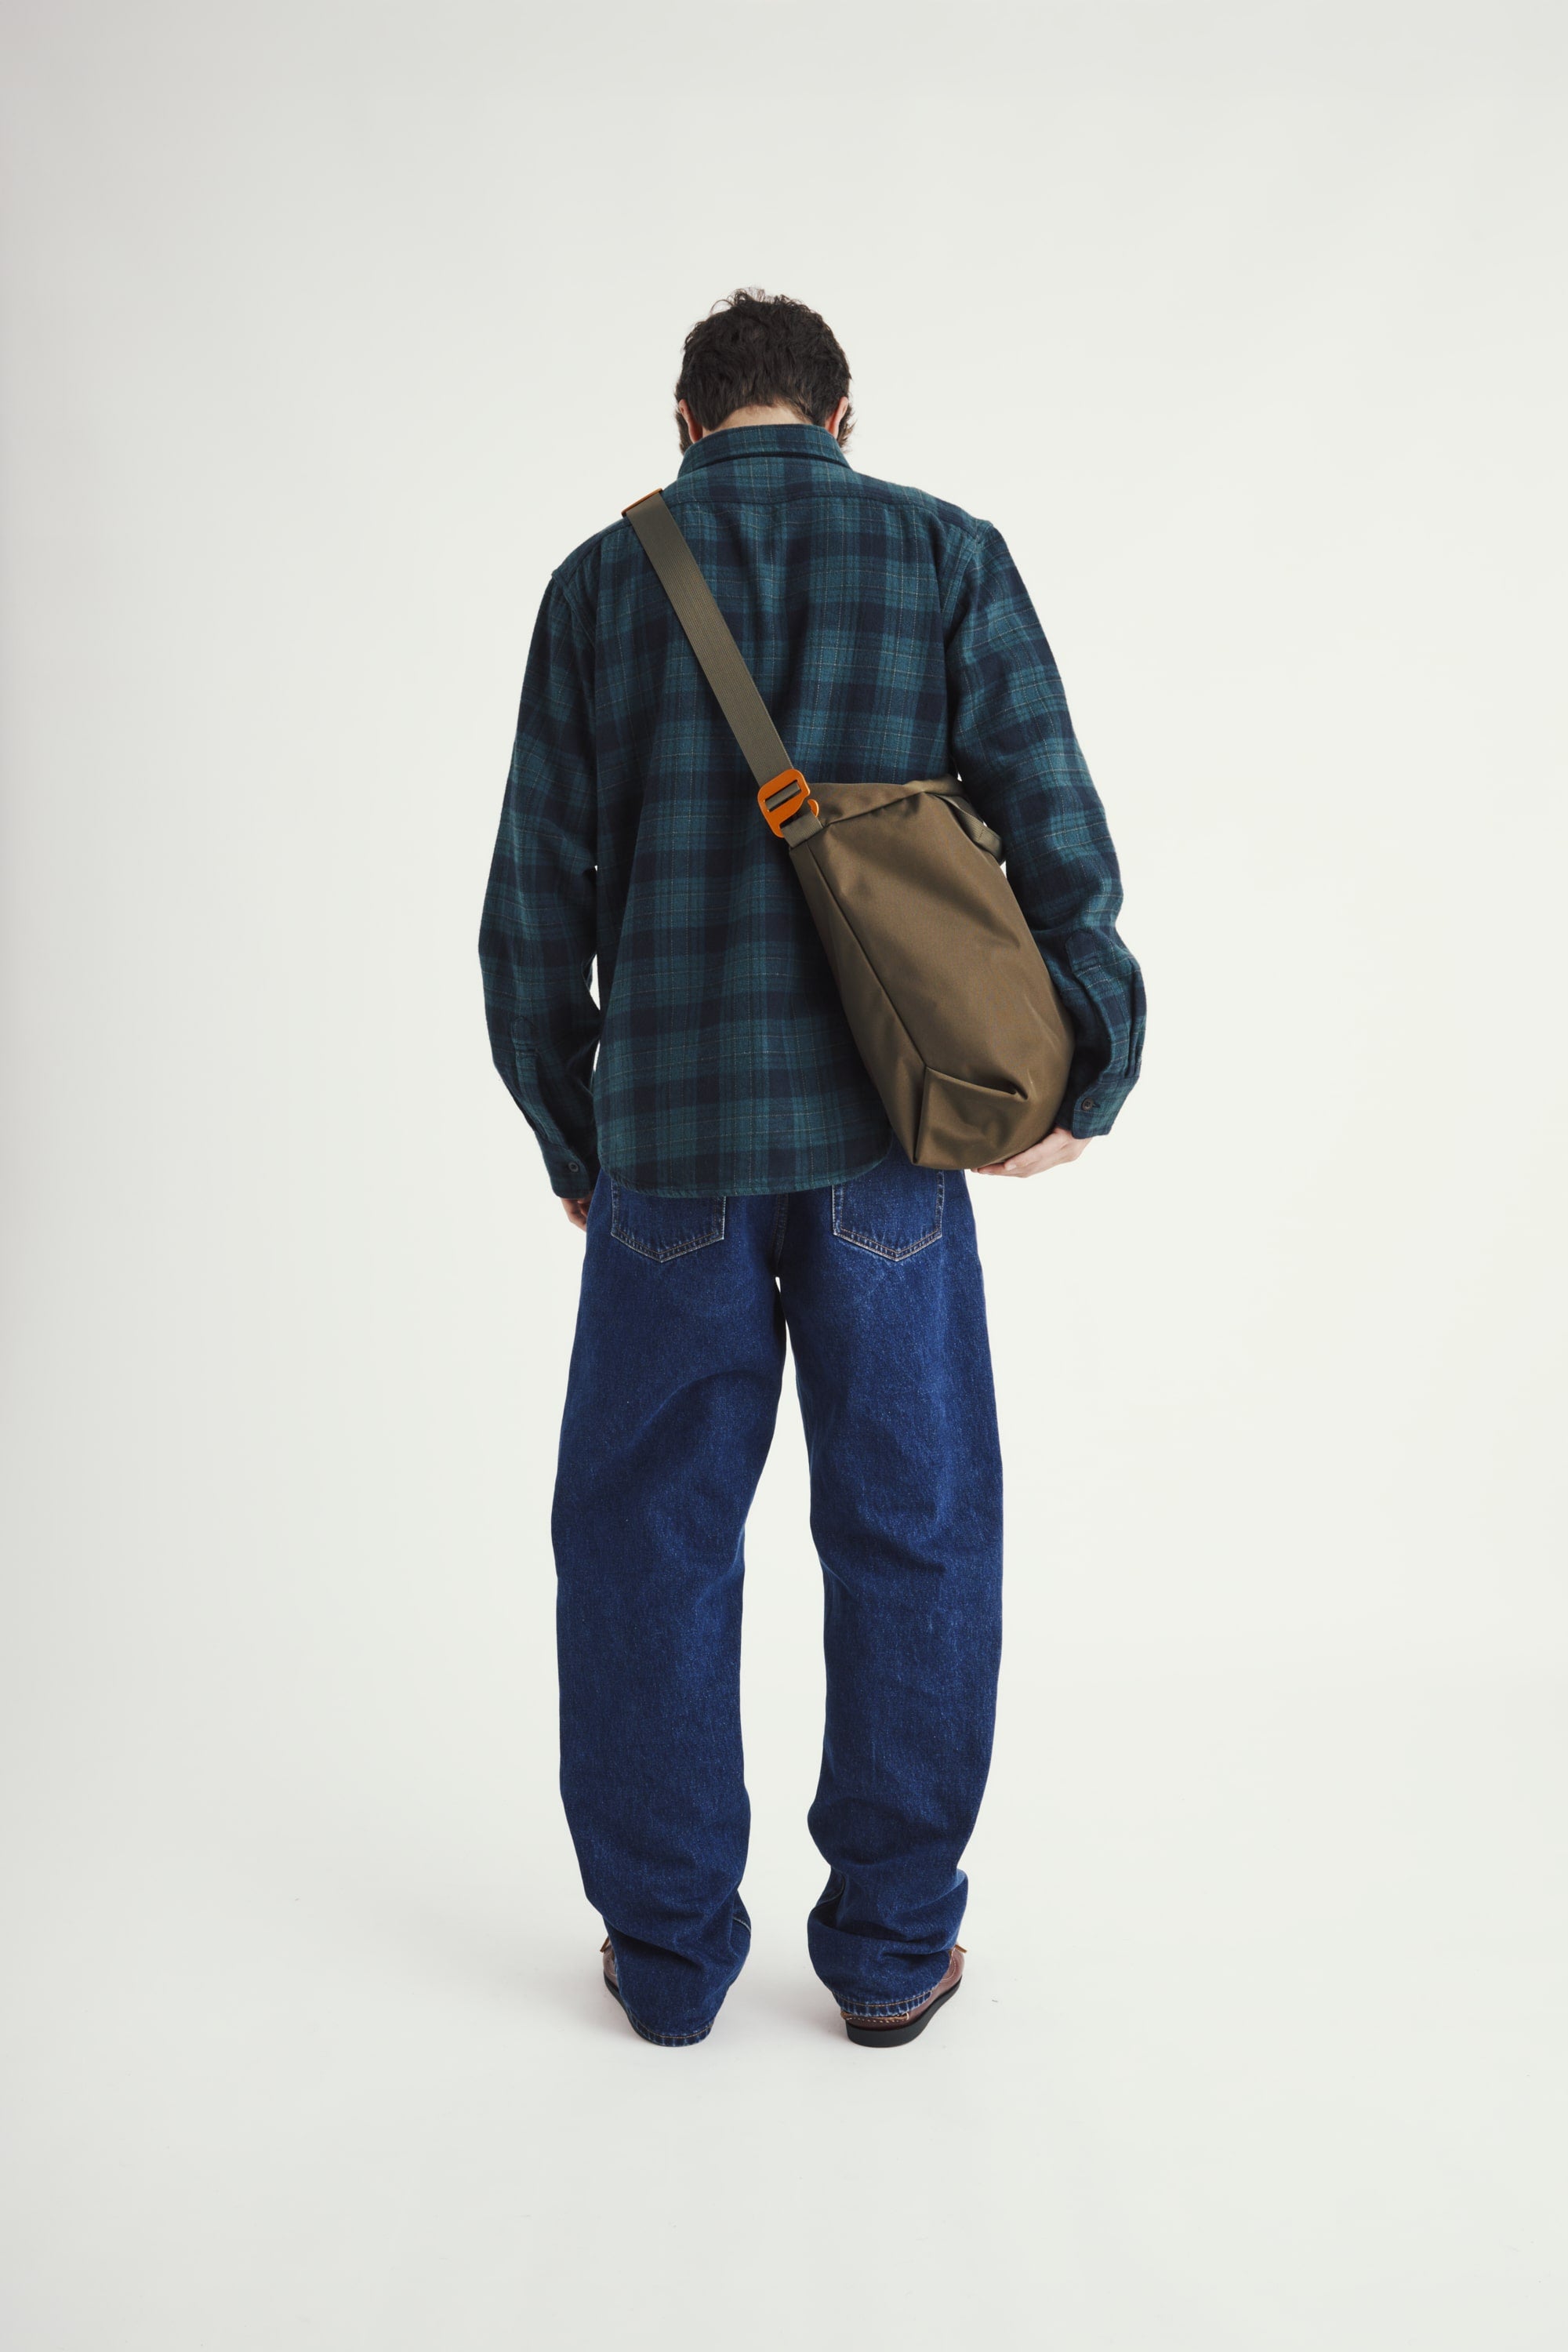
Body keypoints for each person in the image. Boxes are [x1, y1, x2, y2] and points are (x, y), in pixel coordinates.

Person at [480, 289, 1144, 2049]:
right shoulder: (944, 554)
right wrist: (1090, 1061)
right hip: (889, 1143)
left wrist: (572, 1132)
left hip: (670, 1149)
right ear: (843, 416)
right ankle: (890, 1953)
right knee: (913, 1531)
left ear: (684, 423)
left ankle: (668, 1959)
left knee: (646, 1543)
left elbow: (532, 900)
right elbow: (1060, 836)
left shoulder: (599, 584)